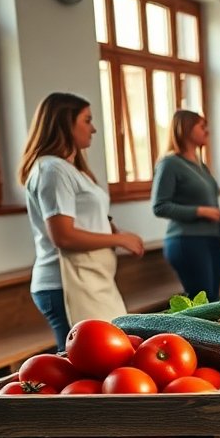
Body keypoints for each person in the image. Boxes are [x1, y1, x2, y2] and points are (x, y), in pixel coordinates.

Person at [21, 92, 144, 350]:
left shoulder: (69, 169)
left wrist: (112, 227)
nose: (94, 129)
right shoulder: (51, 170)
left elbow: (86, 215)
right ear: (65, 123)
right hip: (65, 284)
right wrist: (120, 239)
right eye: (87, 120)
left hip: (90, 279)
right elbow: (63, 236)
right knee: (87, 361)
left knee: (108, 353)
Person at [153, 110, 220, 300]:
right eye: (201, 127)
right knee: (203, 302)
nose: (206, 131)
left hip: (211, 239)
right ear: (185, 129)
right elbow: (159, 206)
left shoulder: (201, 166)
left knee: (214, 301)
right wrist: (201, 211)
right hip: (188, 241)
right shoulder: (170, 163)